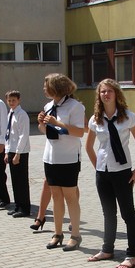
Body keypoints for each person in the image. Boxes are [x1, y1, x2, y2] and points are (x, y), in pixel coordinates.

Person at [85, 79, 135, 268]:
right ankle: (107, 249)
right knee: (108, 213)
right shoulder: (95, 119)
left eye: (110, 91)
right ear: (99, 95)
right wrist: (98, 168)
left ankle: (132, 255)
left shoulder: (128, 117)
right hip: (103, 173)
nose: (106, 94)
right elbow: (89, 147)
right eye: (103, 91)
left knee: (128, 213)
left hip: (122, 172)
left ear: (116, 93)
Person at [38, 73, 85, 251]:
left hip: (68, 158)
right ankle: (57, 233)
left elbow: (79, 132)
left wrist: (57, 123)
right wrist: (42, 124)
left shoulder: (75, 106)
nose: (44, 89)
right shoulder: (49, 106)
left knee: (70, 197)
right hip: (51, 157)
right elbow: (47, 132)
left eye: (47, 86)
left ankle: (76, 235)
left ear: (56, 88)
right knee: (56, 196)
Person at [4, 90, 31, 217]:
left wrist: (18, 153)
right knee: (15, 181)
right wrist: (7, 152)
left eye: (13, 100)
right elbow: (8, 134)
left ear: (19, 100)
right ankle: (17, 206)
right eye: (9, 100)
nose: (11, 102)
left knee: (21, 181)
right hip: (12, 150)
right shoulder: (10, 113)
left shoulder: (22, 115)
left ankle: (24, 208)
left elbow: (23, 135)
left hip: (20, 151)